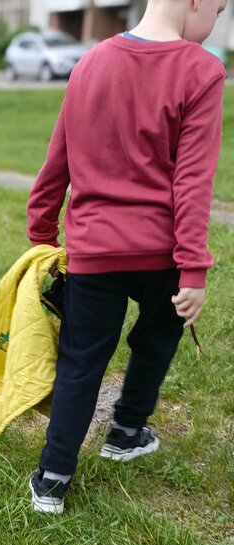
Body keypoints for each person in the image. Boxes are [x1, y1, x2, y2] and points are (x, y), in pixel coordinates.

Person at [26, 0, 227, 514]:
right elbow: (193, 181)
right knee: (158, 337)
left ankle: (52, 479)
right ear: (195, 1)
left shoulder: (90, 63)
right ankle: (127, 430)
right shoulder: (202, 70)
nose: (216, 23)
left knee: (81, 359)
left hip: (94, 251)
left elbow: (58, 157)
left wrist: (42, 231)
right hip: (162, 254)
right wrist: (193, 268)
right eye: (220, 9)